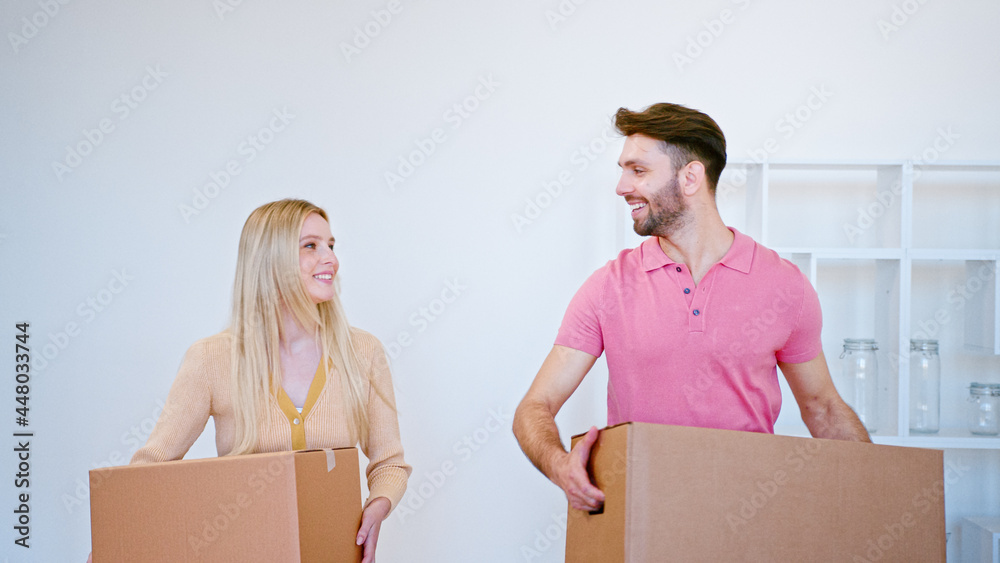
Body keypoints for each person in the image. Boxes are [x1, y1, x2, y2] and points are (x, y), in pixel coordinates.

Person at [512, 103, 870, 513]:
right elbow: (534, 406)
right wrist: (560, 467)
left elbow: (823, 408)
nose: (621, 186)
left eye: (638, 170)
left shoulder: (785, 286)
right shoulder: (608, 287)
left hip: (750, 518)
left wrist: (877, 493)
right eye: (623, 170)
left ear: (690, 177)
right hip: (639, 514)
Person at [109, 199, 409, 562]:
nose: (331, 259)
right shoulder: (211, 359)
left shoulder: (363, 351)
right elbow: (152, 467)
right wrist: (113, 536)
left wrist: (378, 506)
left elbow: (389, 462)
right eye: (310, 246)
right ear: (271, 259)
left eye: (331, 245)